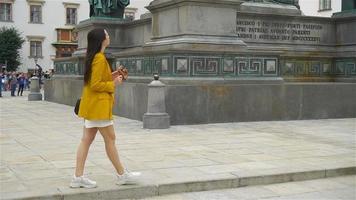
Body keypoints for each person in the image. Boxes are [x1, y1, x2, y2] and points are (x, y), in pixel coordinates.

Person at [70, 28, 140, 189]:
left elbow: (98, 79)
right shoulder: (99, 58)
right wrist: (113, 83)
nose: (109, 36)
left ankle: (78, 177)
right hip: (99, 107)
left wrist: (113, 74)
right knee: (110, 139)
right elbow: (95, 85)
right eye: (107, 35)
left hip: (93, 106)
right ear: (102, 39)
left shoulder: (95, 57)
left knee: (87, 140)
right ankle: (122, 175)